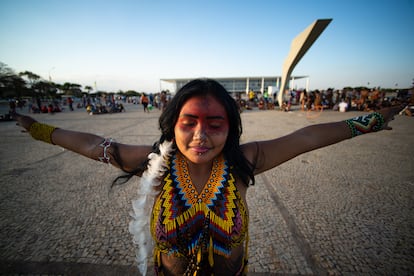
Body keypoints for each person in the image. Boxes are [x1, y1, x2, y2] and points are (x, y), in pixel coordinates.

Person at [13, 79, 400, 276]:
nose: (200, 136)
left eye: (215, 124)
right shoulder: (155, 163)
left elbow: (309, 136)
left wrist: (372, 120)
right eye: (189, 123)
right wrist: (37, 129)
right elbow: (93, 143)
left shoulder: (246, 161)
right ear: (172, 125)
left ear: (230, 129)